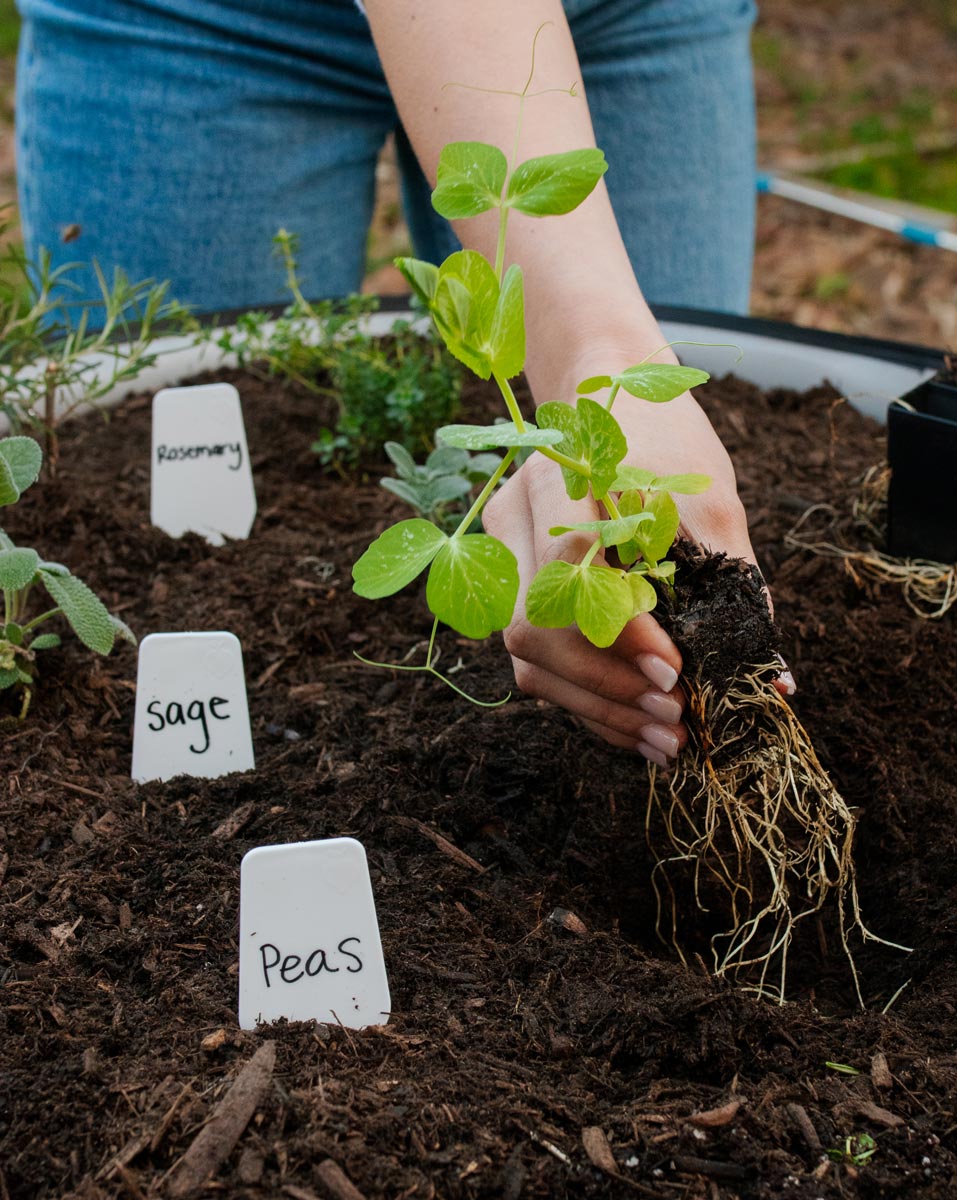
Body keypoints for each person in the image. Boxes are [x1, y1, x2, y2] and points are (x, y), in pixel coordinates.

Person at [16, 0, 792, 769]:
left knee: (672, 439)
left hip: (620, 17)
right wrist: (595, 351)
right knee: (139, 470)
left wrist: (601, 359)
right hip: (200, 22)